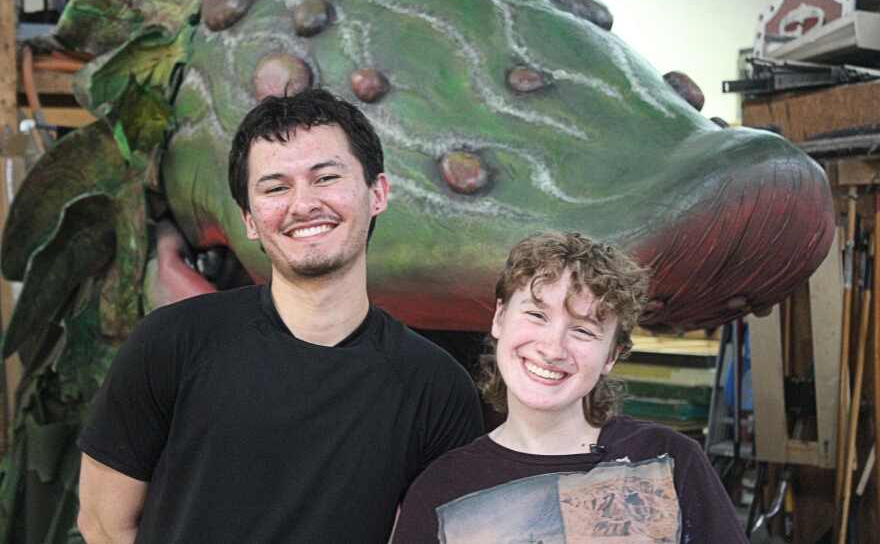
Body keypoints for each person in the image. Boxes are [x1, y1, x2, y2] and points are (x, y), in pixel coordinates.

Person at [76, 89, 483, 543]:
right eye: (275, 187)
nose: (303, 204)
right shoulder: (172, 343)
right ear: (249, 219)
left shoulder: (436, 387)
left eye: (325, 177)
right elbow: (103, 524)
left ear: (378, 193)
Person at [392, 232, 747, 543]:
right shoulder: (441, 488)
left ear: (611, 355)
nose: (552, 348)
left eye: (583, 330)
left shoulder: (668, 461)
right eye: (536, 315)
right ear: (499, 317)